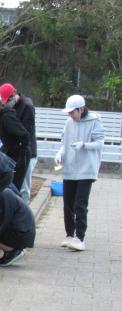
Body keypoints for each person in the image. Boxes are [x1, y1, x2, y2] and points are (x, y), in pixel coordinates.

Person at [55, 94, 105, 251]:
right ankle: (69, 235)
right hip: (70, 168)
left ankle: (80, 238)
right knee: (68, 203)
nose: (70, 115)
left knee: (80, 205)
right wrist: (60, 154)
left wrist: (84, 145)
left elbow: (100, 143)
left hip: (87, 169)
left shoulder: (95, 121)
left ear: (81, 109)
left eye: (72, 112)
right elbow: (65, 143)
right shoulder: (69, 122)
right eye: (68, 112)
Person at [0, 83, 37, 204]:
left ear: (14, 94)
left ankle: (24, 213)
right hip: (14, 152)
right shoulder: (9, 108)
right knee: (12, 185)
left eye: (8, 100)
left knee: (24, 187)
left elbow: (27, 133)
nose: (6, 103)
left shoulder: (27, 106)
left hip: (27, 151)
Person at [0, 187, 36, 266]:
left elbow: (0, 225)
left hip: (20, 234)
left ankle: (11, 250)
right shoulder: (1, 192)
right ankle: (10, 248)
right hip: (22, 231)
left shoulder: (3, 195)